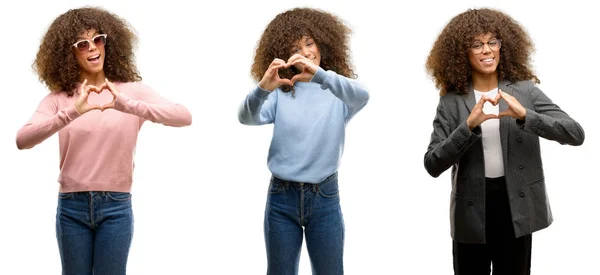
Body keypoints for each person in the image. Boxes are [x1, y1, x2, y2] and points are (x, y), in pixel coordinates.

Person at [16, 7, 192, 275]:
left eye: (98, 39)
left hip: (116, 207)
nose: (92, 48)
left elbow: (183, 116)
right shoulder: (61, 98)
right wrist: (73, 112)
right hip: (71, 207)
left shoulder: (130, 92)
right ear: (69, 53)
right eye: (82, 44)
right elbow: (23, 139)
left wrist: (130, 106)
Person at [423, 8, 584, 275]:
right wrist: (468, 126)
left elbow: (575, 133)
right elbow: (432, 163)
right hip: (471, 212)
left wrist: (526, 116)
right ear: (462, 52)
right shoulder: (451, 101)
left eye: (492, 42)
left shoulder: (525, 91)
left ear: (502, 46)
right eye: (476, 44)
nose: (487, 50)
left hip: (517, 207)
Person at [238, 7, 369, 275]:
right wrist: (263, 88)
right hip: (281, 197)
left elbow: (363, 95)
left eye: (310, 43)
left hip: (325, 197)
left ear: (323, 42)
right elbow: (246, 117)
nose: (307, 52)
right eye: (297, 48)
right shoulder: (280, 93)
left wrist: (320, 75)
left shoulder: (336, 88)